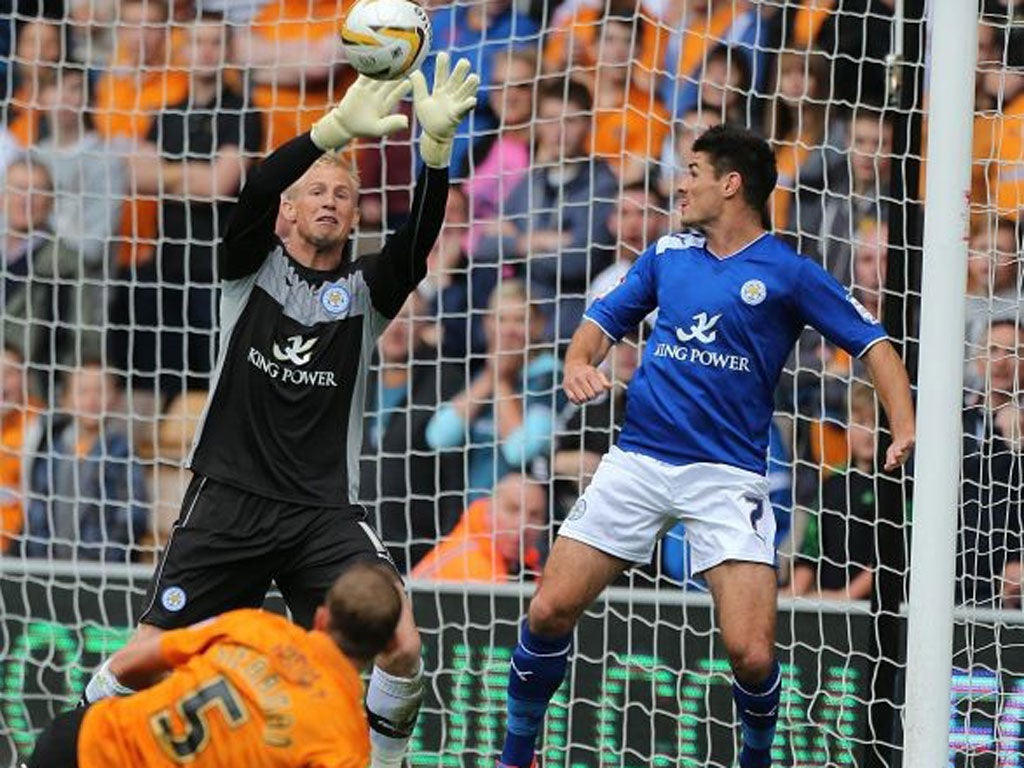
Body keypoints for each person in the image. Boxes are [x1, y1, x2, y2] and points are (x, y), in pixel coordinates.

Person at [81, 54, 480, 768]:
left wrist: (436, 152)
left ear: (355, 215)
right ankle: (70, 749)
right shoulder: (248, 267)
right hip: (226, 499)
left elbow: (417, 242)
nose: (329, 200)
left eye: (343, 195)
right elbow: (259, 183)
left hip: (321, 512)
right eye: (316, 190)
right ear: (289, 212)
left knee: (404, 644)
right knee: (142, 660)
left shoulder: (365, 294)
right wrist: (328, 131)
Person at [495, 125, 916, 768]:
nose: (680, 183)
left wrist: (905, 426)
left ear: (730, 183)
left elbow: (875, 345)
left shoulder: (789, 272)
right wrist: (582, 360)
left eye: (692, 171)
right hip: (639, 460)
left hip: (726, 476)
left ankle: (753, 759)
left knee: (750, 653)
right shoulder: (667, 255)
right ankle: (514, 755)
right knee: (549, 609)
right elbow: (601, 321)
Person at [26, 561, 403, 768]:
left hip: (80, 740)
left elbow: (132, 663)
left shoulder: (253, 625)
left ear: (321, 617)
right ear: (387, 644)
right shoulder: (344, 742)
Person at [23, 359, 150, 563]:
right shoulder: (52, 448)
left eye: (100, 391)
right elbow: (38, 509)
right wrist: (41, 559)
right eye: (82, 392)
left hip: (101, 569)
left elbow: (132, 517)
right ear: (65, 399)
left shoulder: (122, 450)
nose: (92, 400)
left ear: (116, 399)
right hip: (50, 567)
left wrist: (106, 560)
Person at [787, 382, 877, 601]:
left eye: (876, 423)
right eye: (861, 422)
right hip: (831, 608)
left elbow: (896, 555)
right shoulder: (832, 482)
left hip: (878, 608)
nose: (869, 433)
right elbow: (811, 547)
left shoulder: (901, 486)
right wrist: (794, 593)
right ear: (846, 427)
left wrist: (846, 595)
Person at [412, 472, 547, 582]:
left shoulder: (524, 563)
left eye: (534, 515)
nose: (523, 524)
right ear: (489, 511)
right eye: (512, 509)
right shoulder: (471, 563)